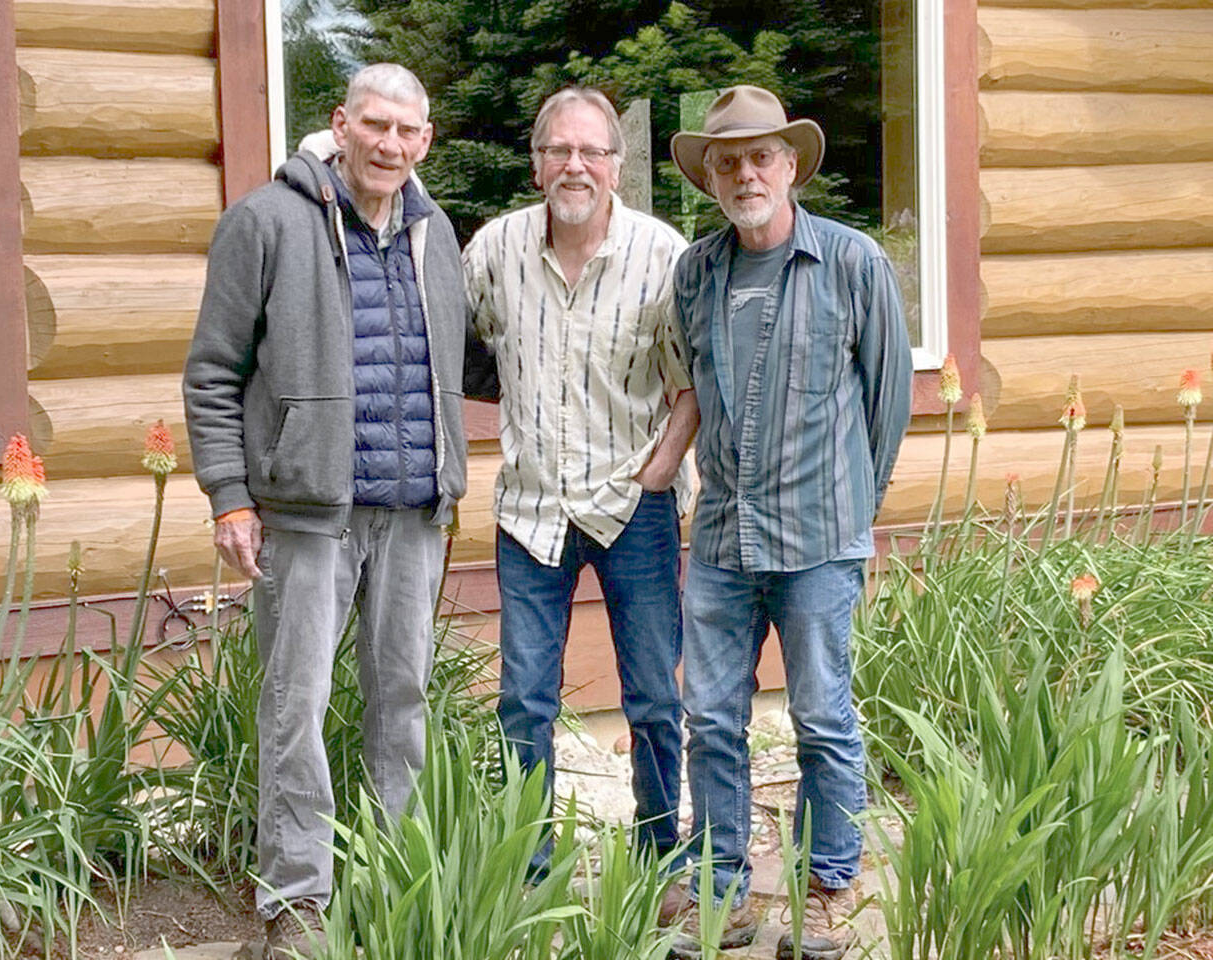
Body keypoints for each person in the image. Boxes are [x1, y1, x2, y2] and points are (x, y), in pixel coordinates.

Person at [183, 63, 472, 960]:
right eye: (374, 125)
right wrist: (231, 495)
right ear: (341, 124)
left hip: (414, 510)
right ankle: (295, 900)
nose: (389, 144)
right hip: (307, 516)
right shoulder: (265, 222)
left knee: (404, 701)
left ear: (425, 142)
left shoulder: (435, 233)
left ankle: (394, 877)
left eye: (407, 132)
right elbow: (212, 371)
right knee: (295, 702)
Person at [665, 85, 913, 959]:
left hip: (818, 541)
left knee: (822, 719)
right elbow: (691, 392)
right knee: (714, 721)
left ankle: (827, 891)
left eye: (759, 157)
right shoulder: (695, 272)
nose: (744, 174)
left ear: (791, 165)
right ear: (712, 179)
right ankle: (722, 891)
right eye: (726, 162)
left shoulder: (853, 262)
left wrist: (849, 504)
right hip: (725, 541)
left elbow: (888, 404)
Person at [462, 88, 698, 872]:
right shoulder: (493, 251)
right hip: (531, 512)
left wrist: (661, 468)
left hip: (633, 509)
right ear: (536, 165)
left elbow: (692, 380)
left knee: (656, 700)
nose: (575, 165)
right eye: (559, 150)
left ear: (616, 168)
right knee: (523, 701)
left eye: (591, 151)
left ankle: (660, 853)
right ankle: (527, 866)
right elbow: (456, 351)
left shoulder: (662, 255)